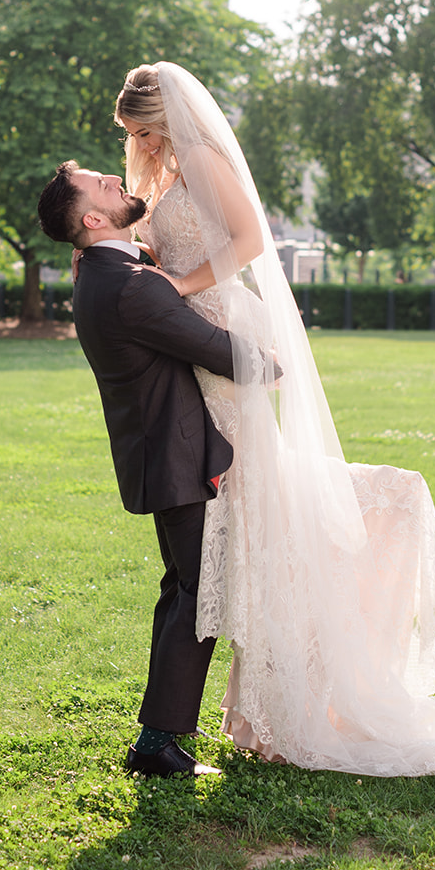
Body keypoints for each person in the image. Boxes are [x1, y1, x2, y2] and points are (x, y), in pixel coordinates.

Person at [114, 61, 435, 776]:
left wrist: (180, 282)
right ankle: (244, 703)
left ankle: (276, 698)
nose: (136, 141)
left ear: (165, 118)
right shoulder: (171, 165)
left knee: (250, 518)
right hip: (192, 341)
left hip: (217, 330)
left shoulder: (199, 156)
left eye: (141, 129)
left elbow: (248, 241)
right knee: (242, 527)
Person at [37, 160, 271, 778]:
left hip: (160, 453)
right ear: (92, 219)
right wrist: (274, 358)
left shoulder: (103, 271)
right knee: (199, 594)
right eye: (104, 188)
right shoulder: (129, 286)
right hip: (177, 456)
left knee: (187, 590)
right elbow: (215, 351)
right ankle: (158, 743)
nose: (119, 183)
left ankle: (159, 738)